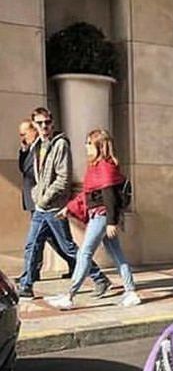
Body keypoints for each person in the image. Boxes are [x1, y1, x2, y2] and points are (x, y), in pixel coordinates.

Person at [16, 108, 111, 300]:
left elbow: (63, 179)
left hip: (53, 206)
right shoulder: (38, 146)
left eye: (47, 123)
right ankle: (26, 285)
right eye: (40, 123)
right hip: (41, 207)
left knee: (67, 247)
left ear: (52, 123)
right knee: (32, 245)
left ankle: (99, 278)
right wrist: (37, 196)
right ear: (34, 125)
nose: (44, 127)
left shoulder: (60, 145)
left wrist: (43, 199)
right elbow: (34, 175)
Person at [45, 129, 139, 310]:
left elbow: (109, 196)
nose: (86, 146)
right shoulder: (96, 167)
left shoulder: (104, 167)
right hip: (100, 216)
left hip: (102, 216)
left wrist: (111, 221)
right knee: (117, 255)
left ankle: (70, 295)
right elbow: (87, 195)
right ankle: (131, 292)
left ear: (99, 146)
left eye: (89, 143)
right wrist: (68, 208)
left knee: (84, 253)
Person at [16, 119, 74, 283]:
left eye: (24, 133)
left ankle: (92, 273)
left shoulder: (46, 147)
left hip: (46, 202)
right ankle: (29, 278)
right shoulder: (31, 149)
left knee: (59, 242)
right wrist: (24, 149)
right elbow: (23, 168)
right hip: (36, 200)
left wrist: (43, 199)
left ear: (33, 130)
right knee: (42, 240)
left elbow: (55, 177)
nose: (22, 137)